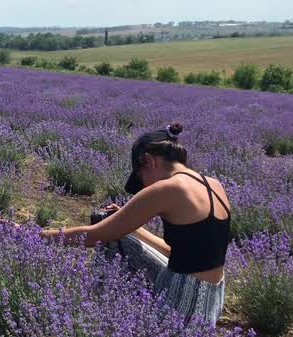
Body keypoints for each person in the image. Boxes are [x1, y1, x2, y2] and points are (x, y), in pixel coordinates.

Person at [40, 122, 231, 326]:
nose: (145, 186)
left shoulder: (167, 189)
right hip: (209, 305)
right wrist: (131, 226)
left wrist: (35, 235)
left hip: (183, 306)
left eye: (141, 179)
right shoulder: (213, 185)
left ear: (148, 161)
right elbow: (177, 252)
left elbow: (93, 236)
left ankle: (98, 318)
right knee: (117, 233)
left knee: (108, 240)